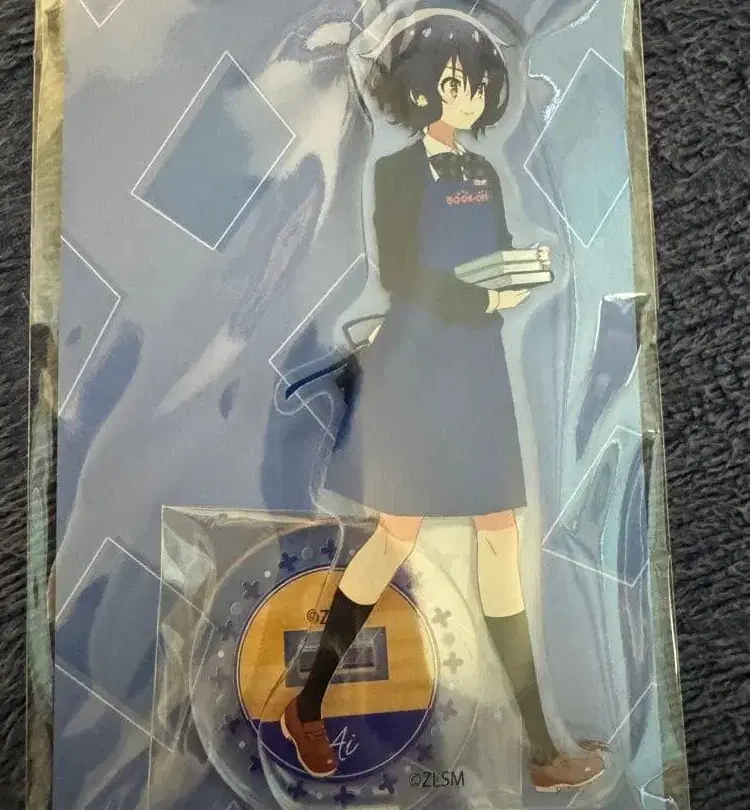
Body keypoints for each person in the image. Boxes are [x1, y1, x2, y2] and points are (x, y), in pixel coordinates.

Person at [279, 11, 605, 793]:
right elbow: (401, 277)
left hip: (479, 367)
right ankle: (307, 704)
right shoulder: (394, 172)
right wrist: (483, 297)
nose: (467, 95)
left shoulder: (482, 173)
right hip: (418, 365)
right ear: (422, 89)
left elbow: (490, 255)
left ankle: (540, 748)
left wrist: (516, 277)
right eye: (453, 82)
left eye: (477, 83)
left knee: (500, 535)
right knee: (395, 537)